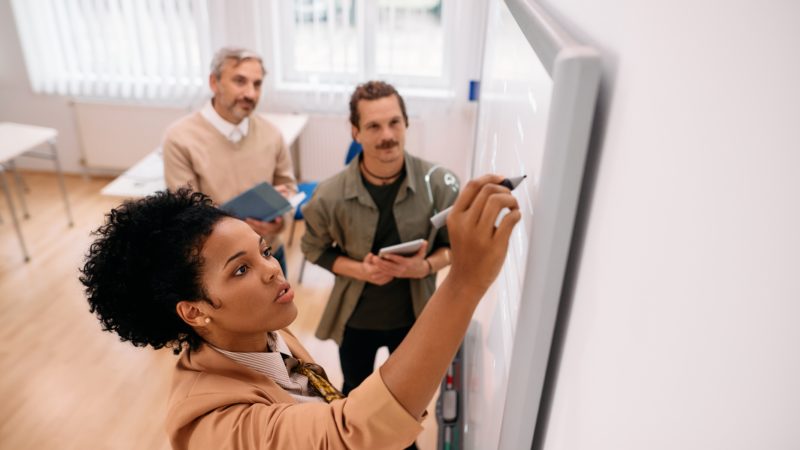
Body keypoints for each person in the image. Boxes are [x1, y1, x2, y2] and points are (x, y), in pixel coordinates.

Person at [80, 176, 520, 449]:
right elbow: (349, 435)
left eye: (264, 251)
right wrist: (464, 281)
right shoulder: (215, 426)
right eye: (241, 270)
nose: (273, 270)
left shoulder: (266, 336)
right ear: (194, 312)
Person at [300, 81, 461, 396]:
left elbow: (455, 247)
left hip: (416, 318)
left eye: (394, 123)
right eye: (373, 126)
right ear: (355, 132)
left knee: (409, 396)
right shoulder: (328, 195)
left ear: (406, 123)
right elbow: (312, 248)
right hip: (356, 321)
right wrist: (361, 270)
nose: (387, 136)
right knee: (356, 392)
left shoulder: (441, 184)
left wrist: (426, 266)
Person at [162, 46, 296, 274]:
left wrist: (281, 221)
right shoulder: (180, 138)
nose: (251, 94)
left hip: (269, 253)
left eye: (257, 84)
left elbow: (289, 189)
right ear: (214, 83)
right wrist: (240, 228)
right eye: (240, 81)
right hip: (220, 266)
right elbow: (186, 214)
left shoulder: (272, 133)